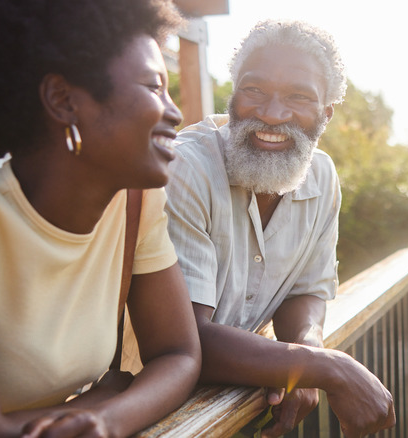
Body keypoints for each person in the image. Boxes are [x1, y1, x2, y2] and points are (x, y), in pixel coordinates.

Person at [0, 0, 201, 437]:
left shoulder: (136, 205)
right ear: (62, 100)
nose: (174, 112)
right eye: (153, 86)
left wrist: (104, 420)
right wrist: (98, 397)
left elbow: (179, 354)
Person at [165, 20, 394, 438]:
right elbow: (183, 338)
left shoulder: (321, 176)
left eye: (298, 96)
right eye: (254, 90)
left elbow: (304, 289)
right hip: (151, 414)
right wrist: (323, 367)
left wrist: (305, 348)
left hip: (231, 409)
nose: (272, 113)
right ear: (232, 96)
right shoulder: (185, 169)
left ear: (325, 113)